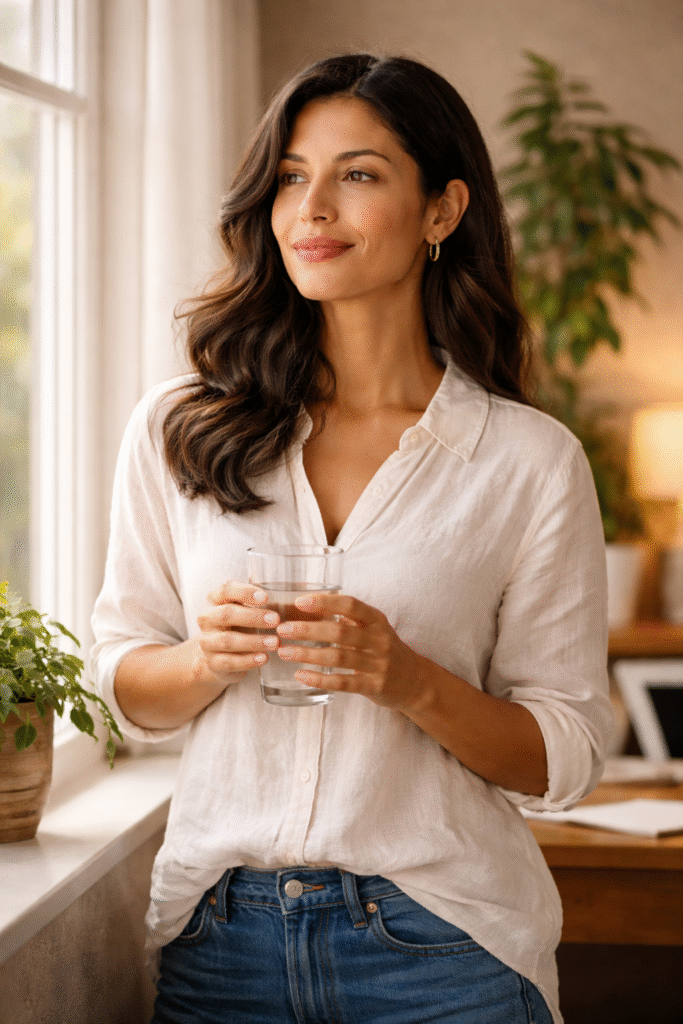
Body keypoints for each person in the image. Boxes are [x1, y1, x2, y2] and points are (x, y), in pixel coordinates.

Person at [91, 53, 613, 1024]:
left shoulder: (526, 461)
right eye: (291, 176)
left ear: (441, 211)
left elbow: (567, 751)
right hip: (222, 944)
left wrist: (405, 677)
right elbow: (118, 678)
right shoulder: (180, 425)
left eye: (357, 174)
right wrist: (205, 659)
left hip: (443, 945)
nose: (311, 207)